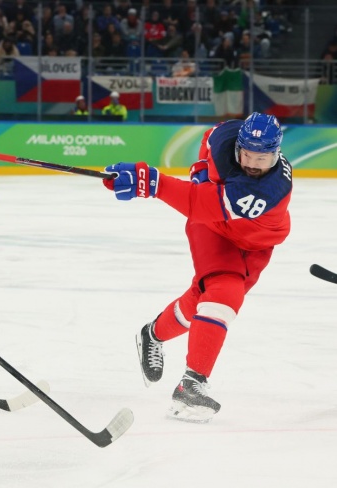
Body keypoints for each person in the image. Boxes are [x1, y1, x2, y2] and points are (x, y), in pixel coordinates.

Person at [102, 112, 292, 423]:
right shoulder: (225, 134)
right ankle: (191, 385)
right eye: (247, 155)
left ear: (276, 154)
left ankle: (152, 334)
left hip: (254, 245)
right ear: (238, 145)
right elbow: (209, 141)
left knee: (202, 301)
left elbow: (200, 202)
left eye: (262, 158)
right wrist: (201, 170)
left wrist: (152, 182)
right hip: (213, 228)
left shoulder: (270, 188)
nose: (253, 164)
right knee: (224, 293)